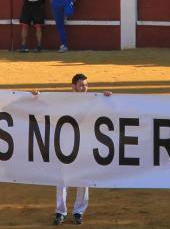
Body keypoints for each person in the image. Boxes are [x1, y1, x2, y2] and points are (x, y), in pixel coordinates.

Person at [32, 73, 111, 226]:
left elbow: (110, 109)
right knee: (62, 180)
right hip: (65, 147)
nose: (85, 88)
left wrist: (109, 98)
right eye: (81, 85)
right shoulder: (64, 101)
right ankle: (60, 212)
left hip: (85, 147)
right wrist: (37, 96)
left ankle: (78, 212)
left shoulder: (94, 100)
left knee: (83, 180)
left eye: (86, 85)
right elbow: (46, 106)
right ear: (73, 86)